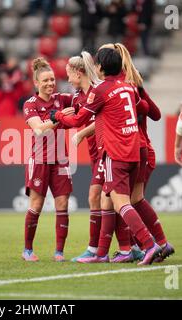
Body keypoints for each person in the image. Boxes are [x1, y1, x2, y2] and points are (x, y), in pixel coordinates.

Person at [51, 48, 161, 265]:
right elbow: (150, 110)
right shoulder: (128, 88)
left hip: (115, 153)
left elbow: (78, 120)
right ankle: (108, 251)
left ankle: (149, 245)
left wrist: (58, 115)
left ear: (100, 67)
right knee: (115, 200)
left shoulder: (100, 90)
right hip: (134, 151)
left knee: (121, 204)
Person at [98, 43, 174, 263]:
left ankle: (132, 248)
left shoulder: (114, 87)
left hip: (127, 149)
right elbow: (156, 114)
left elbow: (154, 113)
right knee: (135, 199)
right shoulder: (133, 84)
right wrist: (139, 95)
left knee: (121, 200)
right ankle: (159, 243)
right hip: (142, 148)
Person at [22, 57, 74, 262]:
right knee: (36, 204)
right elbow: (37, 129)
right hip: (40, 160)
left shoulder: (63, 98)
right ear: (36, 83)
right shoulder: (30, 104)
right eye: (45, 80)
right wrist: (59, 117)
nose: (50, 83)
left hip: (61, 160)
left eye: (52, 79)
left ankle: (59, 252)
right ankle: (27, 250)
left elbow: (86, 98)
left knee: (62, 204)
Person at [57, 52, 105, 262]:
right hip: (96, 154)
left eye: (69, 75)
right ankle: (133, 246)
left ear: (79, 72)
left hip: (108, 151)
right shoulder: (78, 97)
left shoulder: (99, 91)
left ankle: (95, 250)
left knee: (97, 197)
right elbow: (75, 118)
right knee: (111, 200)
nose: (68, 80)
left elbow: (97, 122)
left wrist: (80, 131)